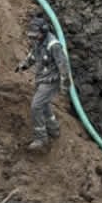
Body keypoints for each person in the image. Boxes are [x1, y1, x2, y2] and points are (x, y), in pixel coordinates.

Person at [17, 13, 70, 152]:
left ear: (44, 31)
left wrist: (65, 86)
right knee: (44, 104)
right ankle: (54, 129)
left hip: (50, 81)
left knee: (36, 106)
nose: (34, 37)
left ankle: (41, 138)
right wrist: (23, 65)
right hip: (41, 78)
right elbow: (33, 55)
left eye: (36, 34)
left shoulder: (54, 45)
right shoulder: (39, 41)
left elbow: (63, 66)